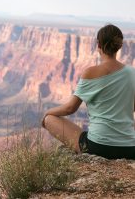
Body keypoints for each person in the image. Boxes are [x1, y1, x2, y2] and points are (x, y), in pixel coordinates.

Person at [42, 24, 135, 159]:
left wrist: (47, 113)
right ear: (119, 46)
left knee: (49, 119)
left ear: (98, 45)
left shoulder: (91, 72)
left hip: (99, 147)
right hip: (130, 148)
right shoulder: (132, 73)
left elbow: (69, 108)